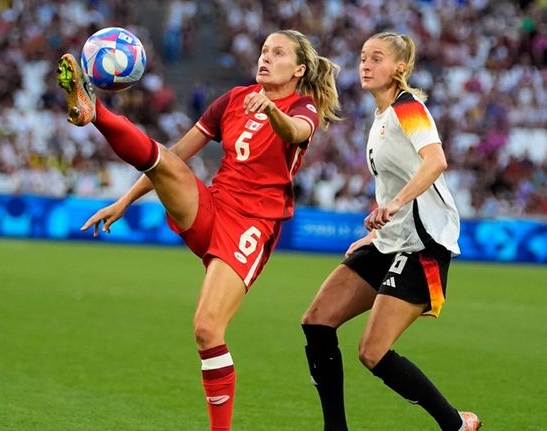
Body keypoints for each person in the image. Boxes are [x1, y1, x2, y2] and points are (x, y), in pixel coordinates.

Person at [57, 29, 341, 431]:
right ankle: (95, 112)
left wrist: (271, 111)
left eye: (277, 53)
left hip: (252, 224)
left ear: (298, 69)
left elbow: (295, 133)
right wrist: (124, 201)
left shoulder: (302, 106)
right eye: (263, 50)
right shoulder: (234, 99)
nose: (265, 58)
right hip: (211, 206)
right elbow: (172, 156)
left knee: (207, 330)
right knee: (167, 162)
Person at [300, 32, 481, 431]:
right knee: (317, 320)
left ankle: (455, 424)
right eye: (363, 57)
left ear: (400, 67)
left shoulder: (408, 107)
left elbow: (435, 161)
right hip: (391, 240)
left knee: (372, 352)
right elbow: (391, 185)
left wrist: (396, 204)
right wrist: (376, 230)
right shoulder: (380, 117)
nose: (366, 64)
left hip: (424, 245)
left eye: (377, 58)